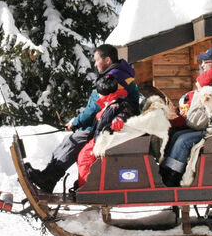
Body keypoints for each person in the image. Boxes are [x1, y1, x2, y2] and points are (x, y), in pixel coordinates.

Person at [25, 44, 140, 193]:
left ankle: (50, 178)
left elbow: (96, 108)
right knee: (71, 140)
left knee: (75, 141)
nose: (94, 64)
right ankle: (49, 176)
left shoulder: (114, 78)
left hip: (114, 126)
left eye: (96, 60)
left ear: (107, 60)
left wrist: (76, 122)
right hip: (107, 122)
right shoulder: (116, 74)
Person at [158, 67, 212, 186]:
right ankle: (166, 167)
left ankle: (174, 174)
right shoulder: (197, 96)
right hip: (205, 127)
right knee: (176, 134)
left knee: (183, 140)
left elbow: (199, 121)